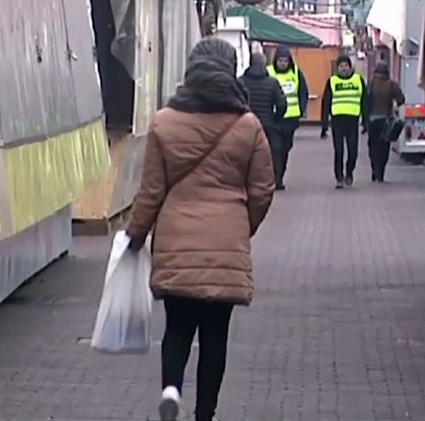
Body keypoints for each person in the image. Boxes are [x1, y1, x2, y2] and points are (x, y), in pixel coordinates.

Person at [124, 38, 276, 421]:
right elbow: (262, 190)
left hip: (177, 240)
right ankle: (205, 413)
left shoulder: (164, 122)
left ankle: (171, 391)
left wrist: (135, 236)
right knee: (215, 336)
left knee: (176, 328)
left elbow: (151, 192)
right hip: (226, 241)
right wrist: (242, 228)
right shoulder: (249, 126)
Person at [240, 51, 287, 189]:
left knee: (246, 153)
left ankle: (247, 180)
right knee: (274, 152)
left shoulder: (241, 82)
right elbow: (282, 104)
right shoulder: (272, 83)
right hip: (268, 124)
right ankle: (276, 181)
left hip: (246, 124)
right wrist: (276, 119)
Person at [320, 54, 367, 189]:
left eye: (346, 66)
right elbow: (326, 103)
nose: (344, 68)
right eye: (341, 66)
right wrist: (324, 125)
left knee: (353, 151)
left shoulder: (358, 80)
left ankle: (349, 171)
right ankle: (339, 177)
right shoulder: (332, 81)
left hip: (352, 121)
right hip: (337, 122)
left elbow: (365, 102)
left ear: (350, 67)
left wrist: (365, 121)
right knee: (338, 150)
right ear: (337, 68)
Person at [267, 46, 308, 190]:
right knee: (275, 149)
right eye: (280, 60)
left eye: (285, 61)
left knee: (285, 148)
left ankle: (280, 174)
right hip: (274, 118)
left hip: (291, 118)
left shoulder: (296, 73)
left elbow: (303, 92)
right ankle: (275, 178)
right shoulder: (269, 72)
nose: (283, 63)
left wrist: (301, 110)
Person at [365, 61, 405, 183]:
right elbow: (401, 99)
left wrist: (365, 119)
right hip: (386, 121)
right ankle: (380, 171)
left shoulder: (371, 84)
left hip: (372, 120)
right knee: (384, 147)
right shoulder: (392, 85)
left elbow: (366, 102)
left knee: (373, 146)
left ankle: (374, 169)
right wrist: (394, 105)